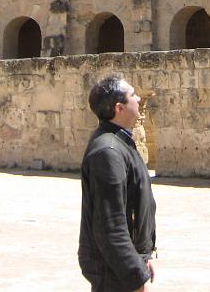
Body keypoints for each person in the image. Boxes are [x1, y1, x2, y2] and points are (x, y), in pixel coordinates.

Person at [78, 75, 157, 292]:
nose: (139, 98)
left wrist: (143, 255)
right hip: (114, 274)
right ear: (119, 108)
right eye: (133, 95)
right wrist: (135, 278)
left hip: (121, 266)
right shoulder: (108, 152)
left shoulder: (119, 142)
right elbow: (110, 226)